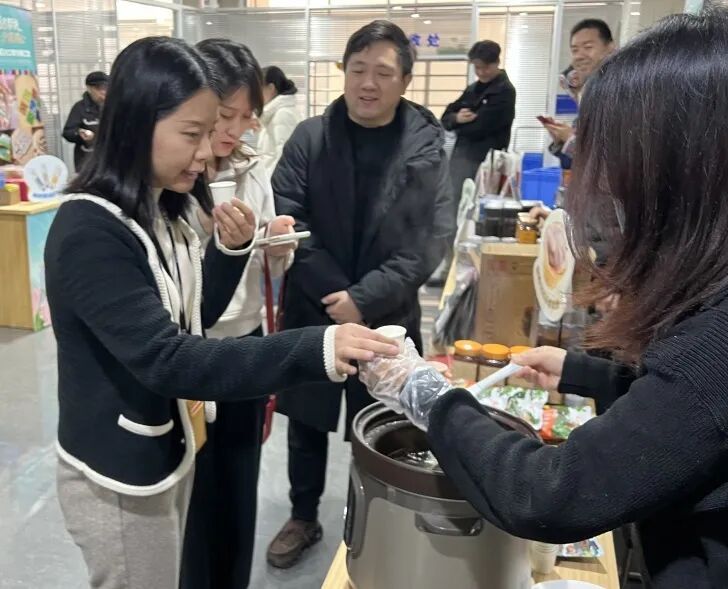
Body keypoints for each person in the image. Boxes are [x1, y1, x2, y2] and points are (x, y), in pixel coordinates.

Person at [361, 5, 728, 587]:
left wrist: (425, 394)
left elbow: (552, 494)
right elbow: (701, 417)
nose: (602, 184)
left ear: (680, 166)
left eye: (611, 159)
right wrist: (585, 373)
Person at [45, 36, 397, 589]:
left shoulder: (164, 210)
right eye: (194, 134)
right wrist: (316, 347)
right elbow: (167, 358)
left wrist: (231, 250)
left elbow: (196, 315)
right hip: (122, 471)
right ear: (137, 123)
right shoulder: (91, 230)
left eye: (215, 131)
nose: (209, 152)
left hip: (168, 449)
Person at [266, 20, 454, 568]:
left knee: (385, 424)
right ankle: (303, 516)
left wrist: (363, 300)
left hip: (386, 314)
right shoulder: (310, 138)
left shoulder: (424, 148)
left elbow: (431, 240)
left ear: (405, 82)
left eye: (383, 73)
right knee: (306, 421)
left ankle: (377, 520)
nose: (368, 83)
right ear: (344, 73)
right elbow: (289, 219)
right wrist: (335, 294)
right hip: (315, 307)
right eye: (357, 69)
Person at [179, 39, 295, 589]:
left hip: (246, 344)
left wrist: (277, 244)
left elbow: (268, 258)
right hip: (189, 352)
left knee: (239, 486)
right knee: (194, 496)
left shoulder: (253, 168)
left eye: (247, 117)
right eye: (224, 115)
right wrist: (212, 241)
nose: (234, 130)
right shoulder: (173, 173)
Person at [442, 40, 516, 206]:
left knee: (479, 206)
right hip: (461, 160)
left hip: (486, 162)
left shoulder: (504, 91)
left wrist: (458, 126)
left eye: (486, 67)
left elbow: (479, 128)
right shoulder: (473, 89)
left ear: (497, 62)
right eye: (477, 68)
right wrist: (456, 118)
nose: (481, 72)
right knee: (454, 203)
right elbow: (446, 117)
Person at [543, 19, 614, 170]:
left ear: (610, 48)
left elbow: (610, 163)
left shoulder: (621, 92)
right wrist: (561, 140)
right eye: (575, 50)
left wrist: (570, 140)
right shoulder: (590, 96)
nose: (579, 56)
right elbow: (572, 164)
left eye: (588, 47)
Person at [257, 65, 303, 178]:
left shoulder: (283, 115)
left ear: (271, 88)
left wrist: (268, 182)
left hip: (275, 183)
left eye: (259, 90)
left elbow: (284, 158)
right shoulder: (272, 114)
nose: (256, 96)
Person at [62, 71, 108, 171]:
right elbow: (67, 132)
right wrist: (79, 133)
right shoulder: (80, 108)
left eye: (105, 88)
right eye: (98, 88)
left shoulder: (113, 107)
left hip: (109, 162)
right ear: (89, 88)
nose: (103, 91)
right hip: (86, 162)